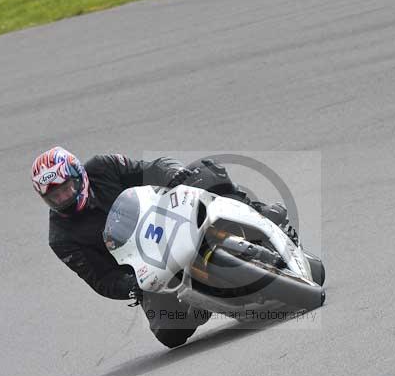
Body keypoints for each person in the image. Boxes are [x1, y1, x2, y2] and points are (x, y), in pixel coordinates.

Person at [31, 147, 295, 348]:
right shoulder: (61, 238)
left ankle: (259, 214)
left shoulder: (103, 167)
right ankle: (201, 300)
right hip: (147, 265)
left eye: (66, 189)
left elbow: (151, 168)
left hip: (169, 217)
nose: (63, 198)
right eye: (54, 196)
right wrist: (132, 285)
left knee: (205, 173)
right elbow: (100, 278)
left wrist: (174, 174)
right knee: (170, 333)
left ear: (79, 176)